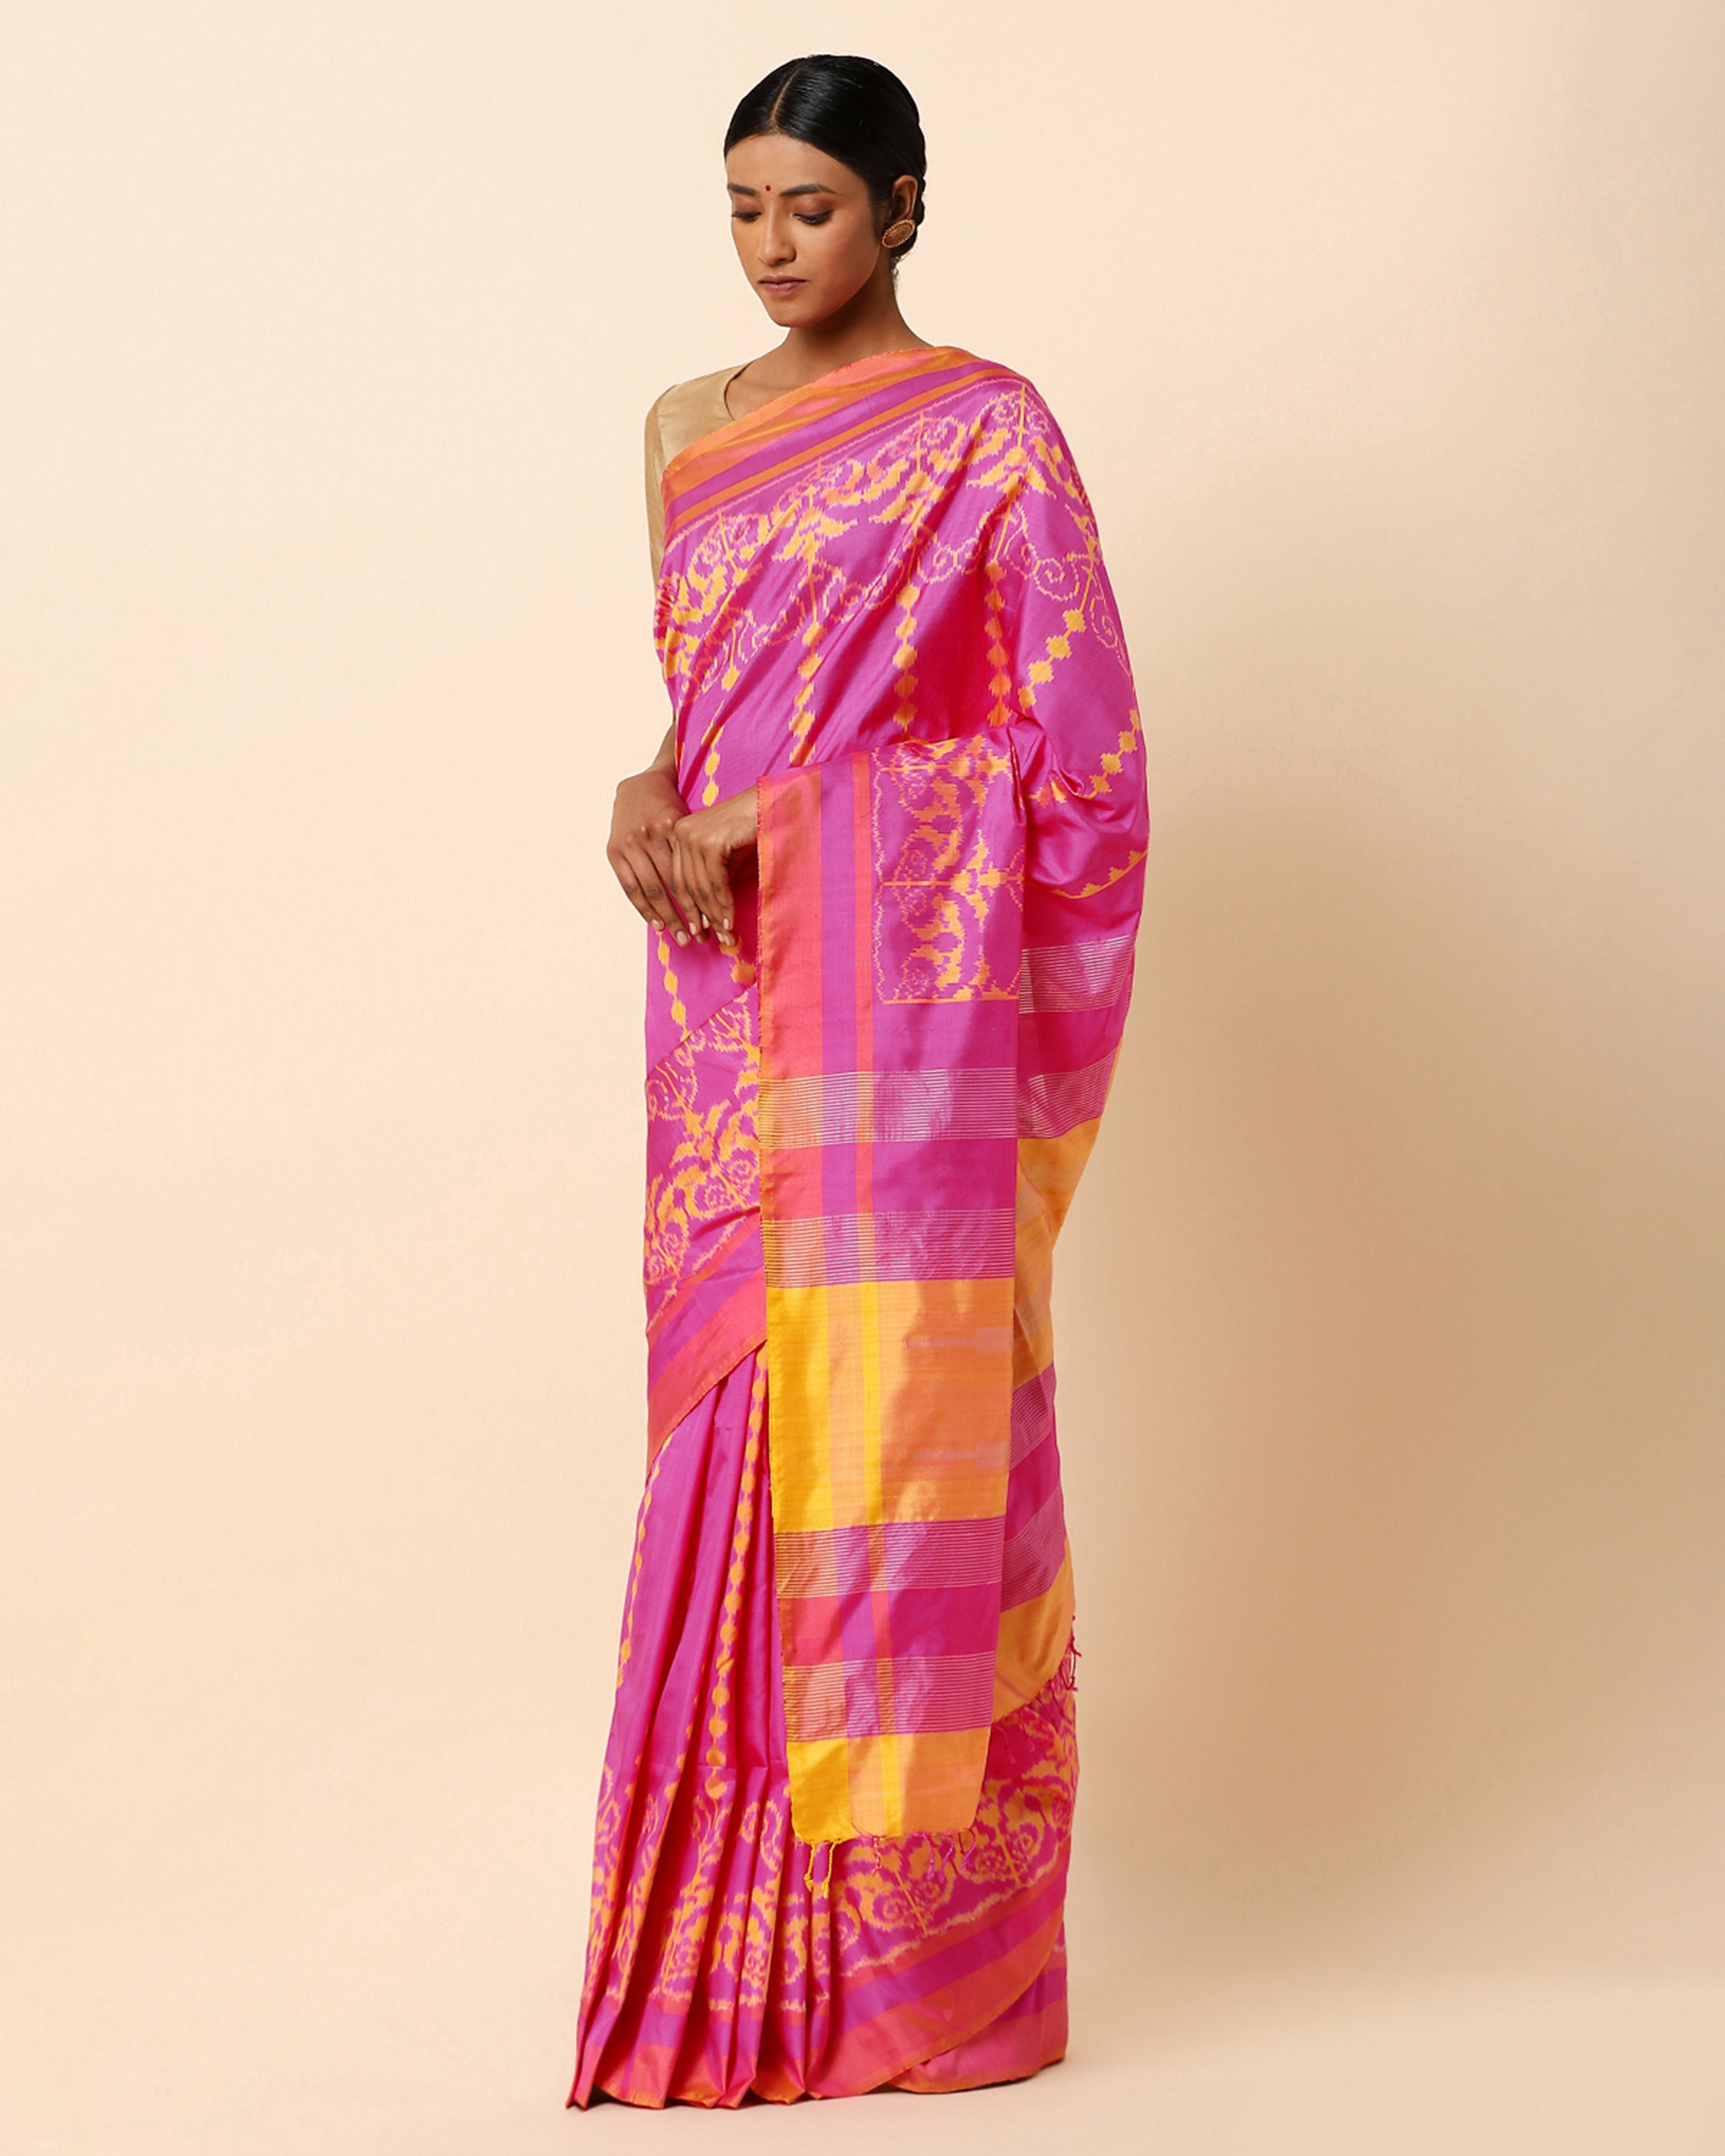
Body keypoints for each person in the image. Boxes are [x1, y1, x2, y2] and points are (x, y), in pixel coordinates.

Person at [568, 52, 1148, 2109]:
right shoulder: (683, 429)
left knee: (886, 1431)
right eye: (742, 208)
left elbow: (1082, 779)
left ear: (901, 208)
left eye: (808, 207)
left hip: (890, 1027)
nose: (770, 247)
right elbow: (698, 713)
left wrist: (798, 825)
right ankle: (715, 1969)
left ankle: (915, 1983)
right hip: (722, 1002)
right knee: (726, 1429)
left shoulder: (987, 434)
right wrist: (651, 791)